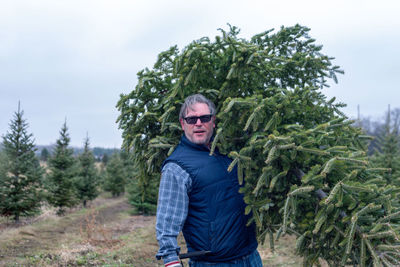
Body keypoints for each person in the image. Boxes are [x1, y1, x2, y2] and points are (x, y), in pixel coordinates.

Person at [156, 94, 262, 267]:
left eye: (204, 118)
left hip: (250, 257)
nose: (198, 123)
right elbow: (166, 224)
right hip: (212, 263)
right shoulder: (176, 168)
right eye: (191, 119)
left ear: (213, 121)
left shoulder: (229, 153)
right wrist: (171, 262)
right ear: (183, 124)